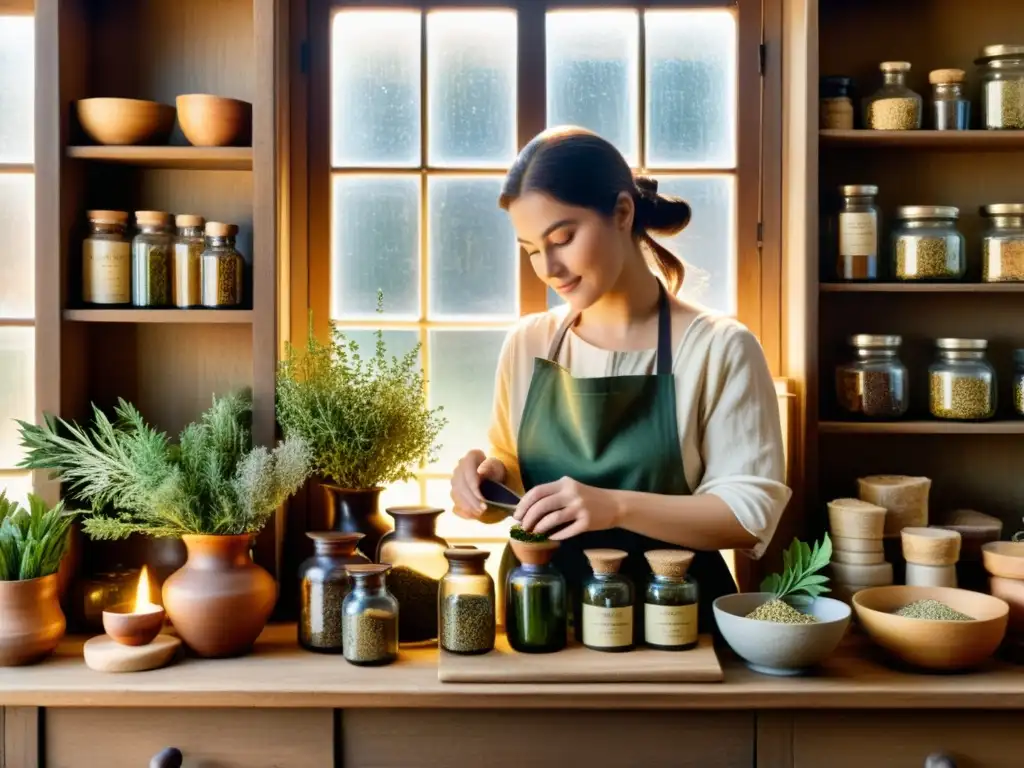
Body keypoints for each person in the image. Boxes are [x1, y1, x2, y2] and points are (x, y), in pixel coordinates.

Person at [449, 126, 791, 638]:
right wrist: (484, 479)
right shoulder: (529, 344)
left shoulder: (719, 347)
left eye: (562, 238)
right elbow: (517, 481)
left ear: (623, 213)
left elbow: (747, 517)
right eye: (530, 250)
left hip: (676, 628)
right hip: (540, 626)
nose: (550, 267)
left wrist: (615, 505)